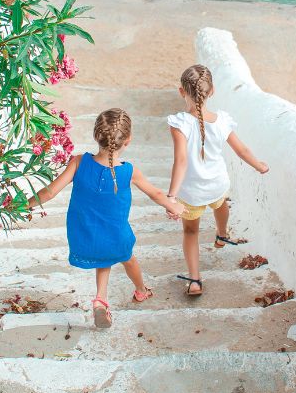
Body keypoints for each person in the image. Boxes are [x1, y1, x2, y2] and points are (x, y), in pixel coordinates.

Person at [32, 108, 185, 327]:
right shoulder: (129, 171)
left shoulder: (77, 163)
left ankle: (101, 300)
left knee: (104, 254)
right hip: (116, 238)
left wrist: (23, 205)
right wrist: (174, 207)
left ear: (96, 136)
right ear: (128, 141)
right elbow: (156, 194)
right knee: (127, 258)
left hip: (84, 235)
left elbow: (49, 192)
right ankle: (141, 290)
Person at [166, 64, 269, 296]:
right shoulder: (222, 120)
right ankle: (222, 234)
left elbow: (180, 161)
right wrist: (259, 165)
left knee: (191, 233)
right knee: (221, 204)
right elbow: (241, 149)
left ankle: (195, 280)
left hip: (191, 192)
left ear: (182, 92)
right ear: (212, 91)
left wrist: (171, 196)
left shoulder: (179, 123)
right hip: (217, 184)